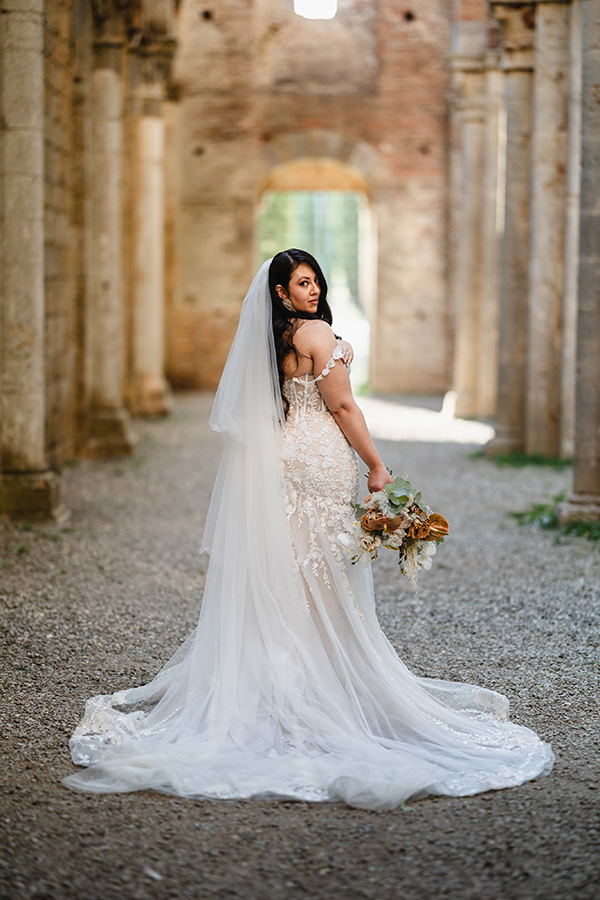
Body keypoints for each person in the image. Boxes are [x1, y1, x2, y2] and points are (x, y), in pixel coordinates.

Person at [64, 250, 553, 809]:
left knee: (292, 564)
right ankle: (325, 683)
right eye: (302, 282)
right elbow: (343, 407)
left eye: (316, 280)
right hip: (319, 461)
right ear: (280, 292)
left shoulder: (278, 338)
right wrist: (376, 465)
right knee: (322, 572)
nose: (313, 289)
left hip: (287, 457)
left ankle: (283, 679)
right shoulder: (317, 333)